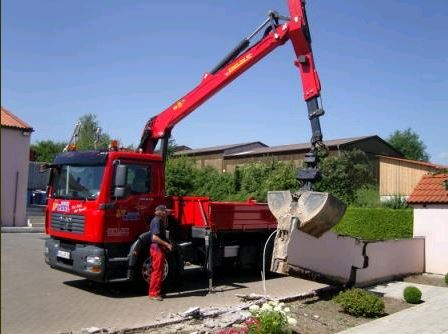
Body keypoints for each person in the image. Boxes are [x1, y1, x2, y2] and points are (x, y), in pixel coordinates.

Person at [148, 205, 173, 301]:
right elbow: (154, 237)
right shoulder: (157, 221)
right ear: (160, 212)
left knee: (159, 271)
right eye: (164, 211)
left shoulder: (159, 220)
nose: (165, 213)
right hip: (157, 249)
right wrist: (166, 244)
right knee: (157, 272)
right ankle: (154, 293)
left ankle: (155, 291)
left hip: (157, 249)